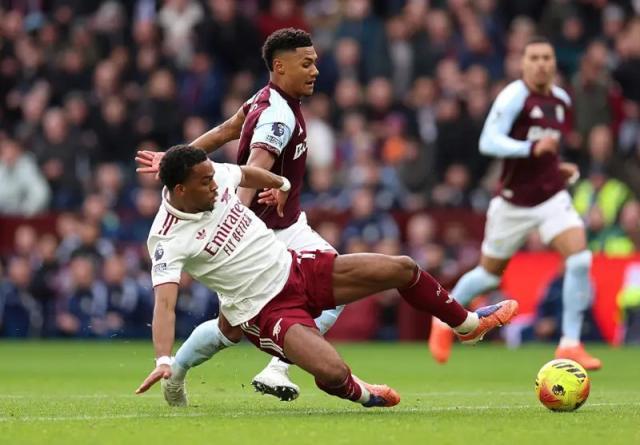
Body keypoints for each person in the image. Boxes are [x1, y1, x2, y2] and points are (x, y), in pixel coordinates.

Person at [134, 145, 519, 408]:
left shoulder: (211, 175)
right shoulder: (166, 238)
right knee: (333, 372)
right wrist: (162, 357)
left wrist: (281, 184)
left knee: (402, 267)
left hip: (297, 268)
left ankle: (467, 326)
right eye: (205, 183)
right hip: (264, 310)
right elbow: (164, 304)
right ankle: (364, 394)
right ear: (180, 190)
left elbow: (244, 173)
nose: (216, 185)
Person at [135, 28, 344, 405]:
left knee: (229, 329)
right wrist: (239, 221)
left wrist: (177, 159)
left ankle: (177, 372)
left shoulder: (264, 98)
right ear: (280, 66)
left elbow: (223, 132)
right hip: (269, 231)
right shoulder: (279, 118)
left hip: (280, 225)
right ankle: (277, 367)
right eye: (307, 63)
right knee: (332, 288)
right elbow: (253, 169)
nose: (315, 70)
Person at [428, 36, 601, 370]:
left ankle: (570, 344)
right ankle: (442, 320)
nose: (541, 64)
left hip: (551, 197)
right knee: (488, 276)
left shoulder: (562, 99)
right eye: (534, 58)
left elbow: (547, 146)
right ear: (523, 64)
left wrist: (555, 168)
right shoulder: (514, 96)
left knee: (580, 260)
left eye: (546, 57)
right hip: (513, 202)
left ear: (554, 63)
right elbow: (488, 141)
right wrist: (530, 150)